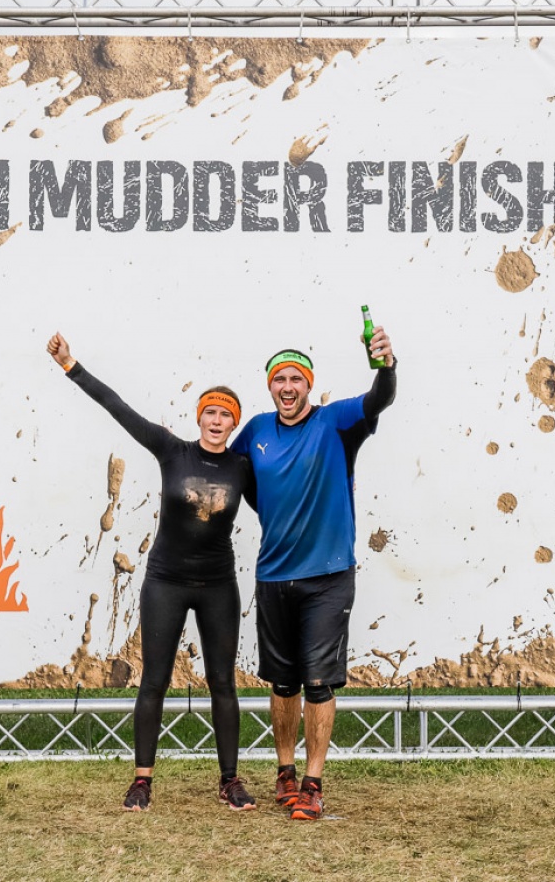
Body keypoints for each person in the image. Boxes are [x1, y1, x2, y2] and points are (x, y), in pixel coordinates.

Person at [47, 332, 257, 813]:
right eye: (210, 412)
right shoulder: (171, 450)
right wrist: (71, 365)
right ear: (199, 417)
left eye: (226, 415)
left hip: (218, 585)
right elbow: (118, 408)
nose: (217, 421)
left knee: (222, 683)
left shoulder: (243, 468)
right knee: (154, 680)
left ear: (234, 423)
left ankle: (229, 781)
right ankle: (142, 781)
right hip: (166, 581)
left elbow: (283, 500)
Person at [230, 325, 396, 820]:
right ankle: (285, 772)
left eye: (295, 379)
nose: (287, 387)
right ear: (270, 386)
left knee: (318, 683)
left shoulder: (335, 421)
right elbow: (235, 481)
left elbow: (380, 398)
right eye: (279, 379)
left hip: (328, 576)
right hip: (273, 576)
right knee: (283, 684)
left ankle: (313, 783)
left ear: (309, 384)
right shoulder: (256, 431)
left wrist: (386, 365)